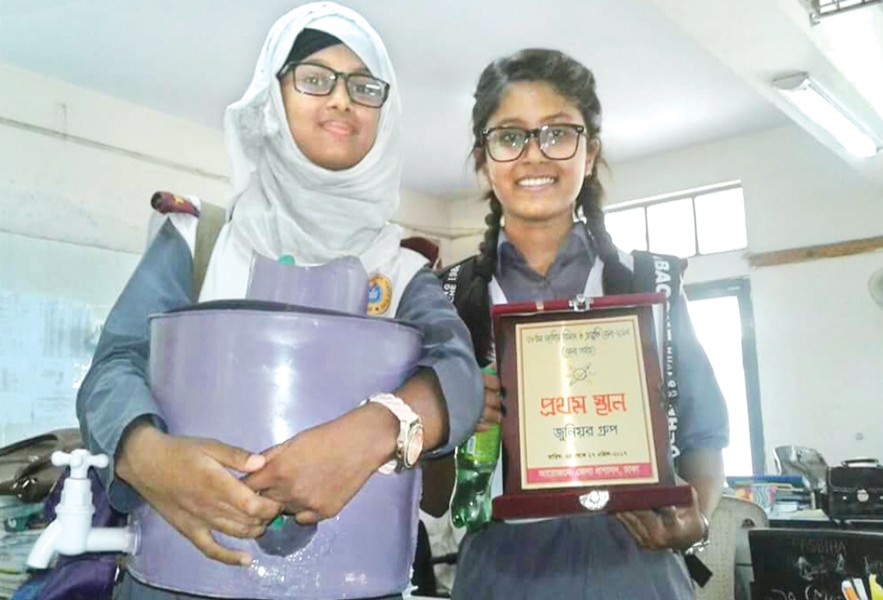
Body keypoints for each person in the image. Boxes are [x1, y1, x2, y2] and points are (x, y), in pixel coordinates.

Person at [76, 3, 482, 599]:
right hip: (175, 580)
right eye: (315, 79)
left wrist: (372, 433)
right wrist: (147, 456)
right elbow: (112, 368)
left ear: (384, 113)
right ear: (273, 98)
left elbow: (459, 376)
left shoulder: (401, 272)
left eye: (363, 87)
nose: (341, 100)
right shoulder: (198, 242)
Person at [439, 48, 729, 599]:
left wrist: (698, 521)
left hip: (639, 574)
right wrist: (456, 418)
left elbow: (703, 437)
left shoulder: (652, 284)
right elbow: (430, 493)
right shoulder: (447, 298)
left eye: (557, 133)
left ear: (590, 153)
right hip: (500, 580)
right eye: (510, 136)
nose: (534, 154)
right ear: (484, 159)